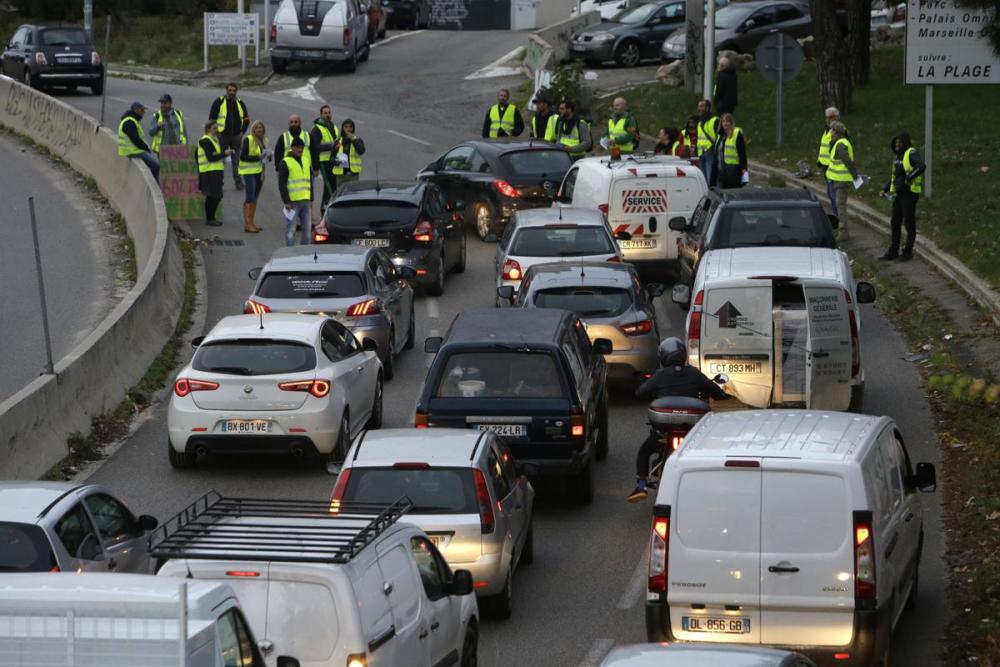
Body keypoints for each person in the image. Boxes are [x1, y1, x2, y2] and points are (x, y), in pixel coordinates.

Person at [628, 338, 728, 503]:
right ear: (683, 354)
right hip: (690, 432)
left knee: (645, 451)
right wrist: (722, 395)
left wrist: (643, 384)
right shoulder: (694, 373)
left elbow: (640, 392)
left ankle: (641, 485)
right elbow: (716, 391)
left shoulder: (660, 375)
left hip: (663, 431)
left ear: (664, 356)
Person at [879, 132, 925, 261]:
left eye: (900, 142)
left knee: (909, 223)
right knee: (895, 222)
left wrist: (909, 178)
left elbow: (921, 166)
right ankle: (893, 250)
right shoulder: (898, 157)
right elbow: (895, 176)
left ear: (906, 142)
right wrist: (885, 188)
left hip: (909, 193)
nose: (897, 145)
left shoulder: (911, 153)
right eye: (896, 142)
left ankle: (907, 252)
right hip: (899, 194)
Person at [208, 83, 250, 190]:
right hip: (222, 136)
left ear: (236, 91)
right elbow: (211, 119)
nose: (232, 92)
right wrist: (216, 134)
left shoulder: (240, 103)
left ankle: (238, 183)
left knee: (236, 161)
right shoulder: (219, 101)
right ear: (226, 90)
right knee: (220, 161)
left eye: (234, 90)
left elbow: (247, 119)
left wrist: (242, 132)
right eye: (230, 90)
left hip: (236, 137)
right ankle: (218, 184)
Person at [826, 121, 859, 242]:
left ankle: (843, 232)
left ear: (836, 132)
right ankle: (842, 230)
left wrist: (855, 175)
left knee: (841, 206)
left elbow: (848, 162)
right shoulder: (838, 143)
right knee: (839, 205)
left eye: (832, 130)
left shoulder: (840, 144)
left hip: (842, 181)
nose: (830, 132)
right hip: (838, 180)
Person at [279, 137, 313, 246]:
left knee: (307, 231)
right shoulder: (285, 162)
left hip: (306, 201)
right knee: (291, 230)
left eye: (302, 148)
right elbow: (282, 184)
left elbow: (309, 181)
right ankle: (290, 253)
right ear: (292, 148)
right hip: (293, 203)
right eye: (298, 148)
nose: (300, 150)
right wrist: (286, 201)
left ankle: (304, 254)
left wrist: (311, 198)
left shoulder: (306, 160)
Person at [196, 121, 231, 227]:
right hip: (209, 171)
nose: (217, 130)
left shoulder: (215, 140)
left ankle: (211, 217)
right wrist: (224, 154)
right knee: (214, 196)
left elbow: (215, 155)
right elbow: (210, 157)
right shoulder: (206, 140)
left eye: (217, 128)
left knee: (215, 195)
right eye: (214, 128)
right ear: (208, 129)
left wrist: (223, 156)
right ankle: (210, 218)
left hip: (215, 171)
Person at [238, 120, 270, 234]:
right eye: (256, 128)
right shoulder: (249, 139)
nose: (259, 130)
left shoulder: (264, 140)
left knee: (255, 198)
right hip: (249, 172)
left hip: (260, 172)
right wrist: (258, 157)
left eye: (260, 128)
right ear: (253, 129)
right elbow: (242, 156)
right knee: (250, 197)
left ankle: (251, 222)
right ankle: (247, 224)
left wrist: (268, 156)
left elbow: (264, 157)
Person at [117, 101, 160, 182]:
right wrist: (146, 148)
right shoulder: (129, 122)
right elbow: (135, 139)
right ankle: (155, 184)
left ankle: (155, 182)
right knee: (156, 165)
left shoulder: (133, 120)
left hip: (134, 150)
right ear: (135, 110)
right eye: (142, 110)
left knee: (154, 161)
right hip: (133, 152)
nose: (143, 112)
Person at [817, 107, 847, 223]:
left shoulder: (839, 130)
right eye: (826, 117)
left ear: (837, 117)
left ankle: (839, 221)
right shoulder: (827, 130)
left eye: (830, 117)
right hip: (826, 167)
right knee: (830, 195)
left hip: (833, 169)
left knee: (835, 197)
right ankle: (837, 218)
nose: (828, 119)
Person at [311, 104, 340, 213]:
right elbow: (314, 148)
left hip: (334, 160)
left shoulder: (333, 126)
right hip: (324, 162)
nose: (328, 115)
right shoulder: (317, 129)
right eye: (325, 113)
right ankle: (324, 212)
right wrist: (330, 146)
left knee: (333, 187)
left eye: (329, 113)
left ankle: (328, 211)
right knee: (329, 188)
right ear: (321, 114)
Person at [715, 113, 748, 189]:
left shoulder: (736, 134)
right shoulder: (721, 135)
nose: (725, 123)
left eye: (727, 121)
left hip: (734, 168)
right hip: (723, 168)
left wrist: (744, 169)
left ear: (731, 122)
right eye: (723, 121)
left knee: (734, 190)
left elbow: (742, 153)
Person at [333, 119, 365, 185]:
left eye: (350, 127)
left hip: (353, 175)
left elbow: (361, 151)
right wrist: (339, 161)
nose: (348, 129)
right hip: (341, 176)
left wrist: (353, 140)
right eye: (346, 127)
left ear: (353, 129)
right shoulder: (338, 141)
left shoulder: (358, 140)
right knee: (341, 194)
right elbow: (331, 158)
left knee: (353, 194)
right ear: (343, 128)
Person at [696, 99, 720, 186]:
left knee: (711, 178)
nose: (699, 108)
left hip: (710, 151)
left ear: (707, 108)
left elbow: (719, 137)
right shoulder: (700, 122)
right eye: (699, 106)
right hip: (701, 152)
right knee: (704, 179)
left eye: (701, 106)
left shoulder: (715, 120)